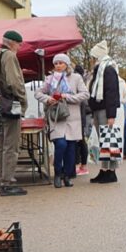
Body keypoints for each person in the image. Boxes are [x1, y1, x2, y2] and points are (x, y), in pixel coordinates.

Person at [35, 54, 90, 188]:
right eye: (56, 63)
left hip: (72, 117)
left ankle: (67, 175)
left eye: (61, 63)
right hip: (57, 117)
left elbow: (85, 94)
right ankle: (58, 173)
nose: (58, 65)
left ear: (67, 64)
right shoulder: (50, 79)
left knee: (71, 148)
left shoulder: (76, 78)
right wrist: (48, 99)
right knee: (61, 144)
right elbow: (38, 93)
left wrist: (67, 97)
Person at [0, 30, 28, 196]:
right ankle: (7, 182)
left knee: (3, 145)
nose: (19, 47)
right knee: (11, 145)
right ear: (12, 43)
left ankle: (4, 180)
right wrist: (23, 100)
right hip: (10, 104)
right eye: (19, 44)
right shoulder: (10, 56)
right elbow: (14, 82)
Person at [87, 40, 123, 184]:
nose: (92, 59)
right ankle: (105, 170)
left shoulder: (108, 70)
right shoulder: (100, 70)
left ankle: (111, 172)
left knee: (108, 141)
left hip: (105, 110)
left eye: (93, 57)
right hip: (98, 109)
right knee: (104, 142)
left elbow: (111, 92)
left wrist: (111, 115)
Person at [74, 64, 92, 175]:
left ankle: (82, 166)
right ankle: (81, 165)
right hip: (82, 116)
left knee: (80, 141)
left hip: (80, 116)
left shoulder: (80, 83)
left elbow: (85, 101)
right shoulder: (85, 81)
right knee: (80, 141)